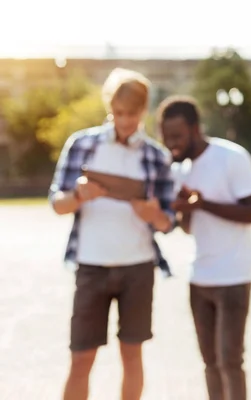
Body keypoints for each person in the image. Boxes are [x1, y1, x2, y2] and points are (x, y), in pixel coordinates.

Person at [49, 68, 175, 400]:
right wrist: (78, 195)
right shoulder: (82, 145)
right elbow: (57, 204)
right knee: (81, 357)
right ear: (110, 108)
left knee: (132, 356)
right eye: (119, 113)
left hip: (138, 267)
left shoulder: (156, 156)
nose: (124, 121)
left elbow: (168, 223)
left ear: (143, 110)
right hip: (91, 266)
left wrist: (153, 213)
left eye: (132, 114)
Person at [157, 95, 251, 400]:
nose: (172, 145)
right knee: (209, 362)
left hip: (233, 276)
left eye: (177, 137)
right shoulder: (181, 169)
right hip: (199, 277)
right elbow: (190, 227)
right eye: (167, 138)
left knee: (230, 361)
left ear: (195, 129)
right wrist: (187, 209)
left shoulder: (231, 156)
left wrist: (203, 203)